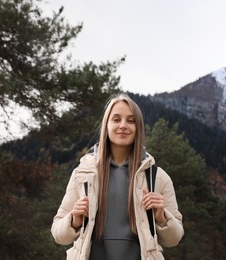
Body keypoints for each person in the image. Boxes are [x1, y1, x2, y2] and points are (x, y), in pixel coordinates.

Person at [51, 93, 184, 260]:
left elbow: (174, 239)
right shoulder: (83, 174)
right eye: (116, 119)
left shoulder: (157, 177)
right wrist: (74, 220)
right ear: (106, 125)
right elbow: (58, 234)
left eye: (131, 120)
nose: (123, 125)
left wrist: (161, 216)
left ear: (139, 128)